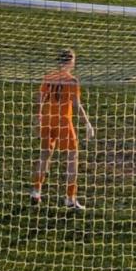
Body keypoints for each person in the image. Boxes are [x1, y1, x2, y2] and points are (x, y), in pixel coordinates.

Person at [31, 49, 96, 209]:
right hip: (63, 121)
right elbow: (76, 105)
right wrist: (87, 123)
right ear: (71, 62)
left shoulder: (49, 77)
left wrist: (38, 116)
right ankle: (69, 198)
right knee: (72, 157)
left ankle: (36, 191)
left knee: (44, 155)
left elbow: (40, 97)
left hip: (47, 119)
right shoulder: (72, 81)